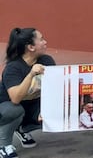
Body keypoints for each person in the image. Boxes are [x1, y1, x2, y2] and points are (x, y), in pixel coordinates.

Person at [0, 28, 56, 157]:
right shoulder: (13, 68)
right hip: (6, 106)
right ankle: (3, 146)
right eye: (41, 39)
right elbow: (15, 98)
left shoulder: (47, 60)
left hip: (31, 103)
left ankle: (21, 127)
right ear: (31, 47)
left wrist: (47, 110)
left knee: (52, 112)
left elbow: (53, 89)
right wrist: (31, 74)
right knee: (14, 111)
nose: (45, 42)